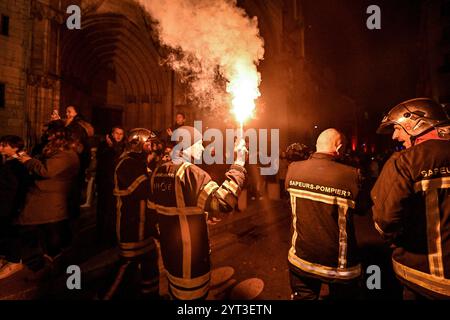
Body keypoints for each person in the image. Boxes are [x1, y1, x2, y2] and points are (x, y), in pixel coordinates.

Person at [148, 125, 247, 300]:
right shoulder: (190, 172)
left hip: (171, 259)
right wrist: (238, 164)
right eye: (199, 143)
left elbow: (164, 213)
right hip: (191, 262)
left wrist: (200, 216)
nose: (203, 147)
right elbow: (224, 201)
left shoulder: (158, 171)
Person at [371, 97, 450, 299]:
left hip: (424, 277)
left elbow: (385, 221)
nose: (394, 136)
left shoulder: (405, 161)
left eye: (397, 128)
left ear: (415, 123)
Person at [285, 128, 363, 300]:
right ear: (340, 147)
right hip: (340, 266)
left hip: (301, 259)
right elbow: (364, 208)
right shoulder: (351, 175)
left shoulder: (293, 169)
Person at [0, 122, 80, 279]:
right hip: (45, 199)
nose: (47, 137)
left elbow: (46, 170)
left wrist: (26, 159)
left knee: (25, 228)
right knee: (49, 234)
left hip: (49, 200)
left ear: (59, 137)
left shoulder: (66, 154)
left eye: (50, 134)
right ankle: (50, 264)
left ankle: (20, 261)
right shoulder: (58, 151)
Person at [102, 128, 160, 299]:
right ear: (138, 144)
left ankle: (151, 296)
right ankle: (105, 296)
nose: (152, 147)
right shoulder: (126, 163)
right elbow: (145, 189)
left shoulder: (139, 162)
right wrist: (157, 170)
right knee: (127, 267)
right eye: (148, 144)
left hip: (145, 227)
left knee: (150, 262)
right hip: (131, 226)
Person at [0, 136, 29, 279]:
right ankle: (5, 257)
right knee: (4, 230)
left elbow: (20, 187)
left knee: (12, 231)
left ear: (15, 148)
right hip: (4, 203)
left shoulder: (18, 164)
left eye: (4, 146)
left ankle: (14, 260)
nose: (1, 148)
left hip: (11, 204)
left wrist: (18, 206)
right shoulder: (6, 161)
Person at [95, 126, 126, 245]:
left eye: (121, 134)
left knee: (113, 210)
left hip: (116, 182)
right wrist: (110, 148)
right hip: (105, 182)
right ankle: (101, 235)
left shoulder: (123, 146)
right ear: (112, 134)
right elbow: (101, 160)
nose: (118, 136)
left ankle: (112, 235)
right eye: (116, 133)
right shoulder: (104, 145)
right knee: (103, 209)